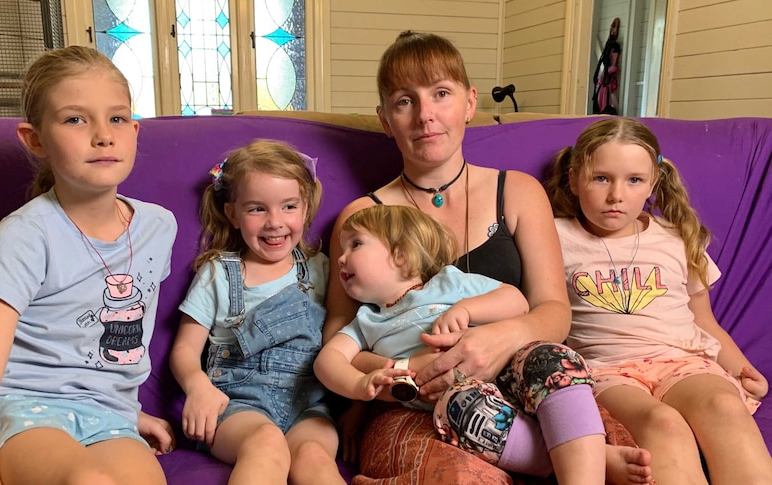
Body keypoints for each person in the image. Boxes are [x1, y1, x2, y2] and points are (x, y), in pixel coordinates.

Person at [323, 30, 652, 484]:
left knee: (614, 448)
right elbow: (338, 342)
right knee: (463, 476)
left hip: (522, 377)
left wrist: (501, 338)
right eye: (405, 101)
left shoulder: (517, 191)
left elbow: (554, 311)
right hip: (411, 405)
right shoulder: (361, 220)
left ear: (470, 102)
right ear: (385, 119)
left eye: (441, 93)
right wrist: (403, 374)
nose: (426, 115)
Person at [0, 46, 177, 485]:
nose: (103, 135)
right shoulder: (24, 236)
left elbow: (99, 341)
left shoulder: (159, 226)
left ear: (135, 130)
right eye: (75, 119)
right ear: (35, 139)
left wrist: (131, 412)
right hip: (18, 407)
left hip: (108, 418)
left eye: (116, 118)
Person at [317, 204, 652, 481]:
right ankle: (582, 455)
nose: (342, 258)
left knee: (553, 357)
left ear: (401, 254)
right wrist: (360, 384)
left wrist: (466, 309)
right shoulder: (366, 322)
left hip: (509, 369)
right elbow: (328, 361)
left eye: (355, 245)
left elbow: (516, 300)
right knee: (459, 409)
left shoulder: (448, 283)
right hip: (461, 397)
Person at [546, 117, 772, 484]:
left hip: (682, 361)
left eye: (634, 180)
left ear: (653, 183)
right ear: (573, 179)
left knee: (726, 407)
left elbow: (704, 320)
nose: (616, 195)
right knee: (663, 423)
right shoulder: (553, 235)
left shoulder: (674, 237)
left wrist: (741, 369)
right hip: (608, 370)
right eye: (601, 178)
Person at [169, 139, 344, 485]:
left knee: (314, 458)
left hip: (307, 408)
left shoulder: (321, 269)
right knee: (266, 443)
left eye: (288, 206)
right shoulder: (219, 273)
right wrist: (197, 386)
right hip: (236, 408)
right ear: (232, 213)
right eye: (256, 209)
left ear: (306, 208)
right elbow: (184, 350)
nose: (274, 222)